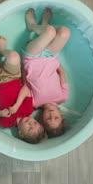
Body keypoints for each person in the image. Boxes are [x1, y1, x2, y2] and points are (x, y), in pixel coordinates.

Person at [0, 36, 47, 144]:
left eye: (29, 128)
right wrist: (17, 105)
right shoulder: (28, 110)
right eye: (35, 123)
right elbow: (26, 89)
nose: (31, 123)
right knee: (14, 56)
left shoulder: (6, 122)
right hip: (12, 76)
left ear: (21, 133)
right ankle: (3, 51)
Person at [20, 8, 70, 137]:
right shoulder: (62, 97)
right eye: (56, 118)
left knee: (50, 32)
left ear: (42, 118)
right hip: (50, 56)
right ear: (61, 115)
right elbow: (62, 75)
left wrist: (23, 63)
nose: (52, 115)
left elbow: (25, 82)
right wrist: (55, 63)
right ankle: (42, 25)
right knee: (64, 32)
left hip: (32, 58)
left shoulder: (34, 103)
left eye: (49, 119)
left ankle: (33, 26)